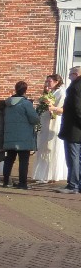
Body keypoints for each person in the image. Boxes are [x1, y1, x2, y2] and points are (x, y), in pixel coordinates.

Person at [1, 80, 39, 189]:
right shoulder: (26, 103)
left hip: (10, 135)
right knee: (23, 161)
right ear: (25, 90)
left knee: (9, 159)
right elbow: (34, 119)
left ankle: (6, 181)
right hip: (24, 137)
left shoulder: (7, 104)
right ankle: (22, 183)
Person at [31, 73, 67, 184]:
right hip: (45, 122)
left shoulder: (61, 92)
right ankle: (43, 174)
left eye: (50, 81)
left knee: (51, 148)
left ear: (57, 82)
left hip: (54, 122)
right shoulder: (49, 92)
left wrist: (52, 107)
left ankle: (51, 175)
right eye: (46, 81)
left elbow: (63, 109)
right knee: (43, 147)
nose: (47, 83)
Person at [58, 66, 81, 194]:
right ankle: (78, 184)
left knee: (73, 158)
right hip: (77, 128)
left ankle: (73, 185)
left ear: (76, 74)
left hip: (74, 129)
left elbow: (77, 108)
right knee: (79, 158)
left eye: (70, 75)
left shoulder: (75, 87)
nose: (69, 77)